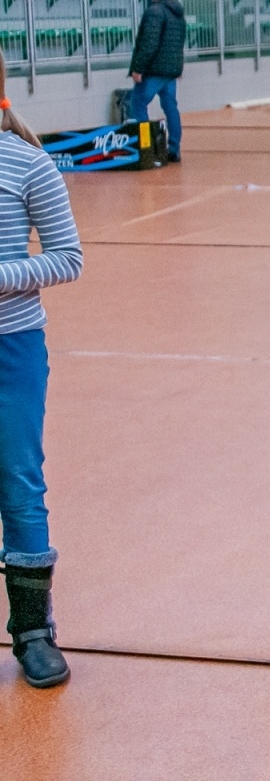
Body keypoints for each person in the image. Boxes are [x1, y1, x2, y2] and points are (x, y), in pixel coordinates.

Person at [0, 53, 84, 690]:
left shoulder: (28, 163)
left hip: (13, 350)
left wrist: (3, 279)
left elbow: (67, 259)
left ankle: (32, 632)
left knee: (19, 481)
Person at [126, 0, 186, 163]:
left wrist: (137, 68)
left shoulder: (154, 12)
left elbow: (149, 43)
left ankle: (146, 147)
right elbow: (179, 42)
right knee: (170, 108)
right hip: (170, 71)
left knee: (137, 104)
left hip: (154, 71)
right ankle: (174, 149)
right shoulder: (178, 13)